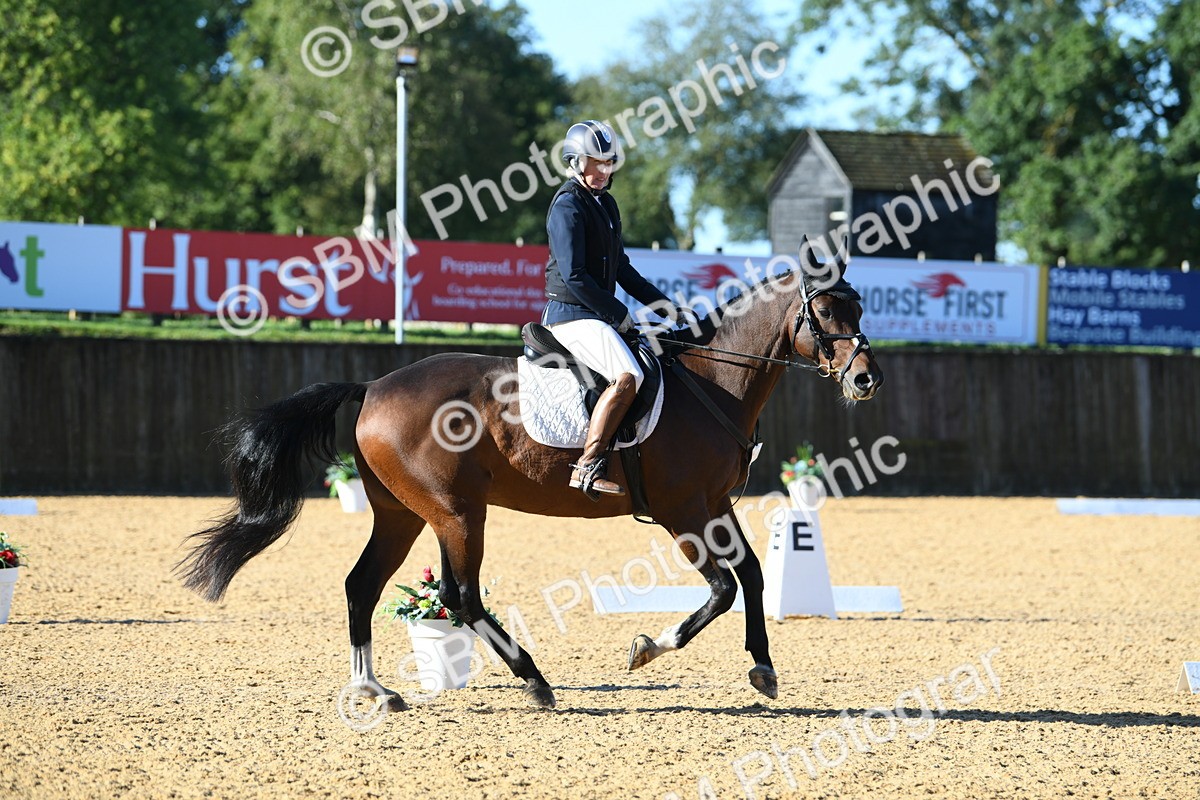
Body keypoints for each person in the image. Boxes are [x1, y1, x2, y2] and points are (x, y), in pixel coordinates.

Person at [542, 120, 694, 499]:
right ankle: (588, 464)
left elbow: (622, 269)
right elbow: (575, 276)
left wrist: (667, 309)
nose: (605, 170)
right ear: (575, 162)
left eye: (609, 163)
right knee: (628, 375)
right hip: (569, 315)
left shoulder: (605, 204)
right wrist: (619, 315)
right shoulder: (567, 206)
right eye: (596, 163)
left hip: (594, 315)